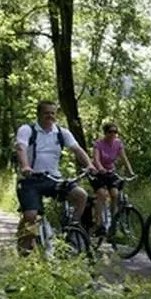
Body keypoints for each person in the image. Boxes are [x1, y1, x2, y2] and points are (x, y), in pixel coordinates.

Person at [15, 100, 97, 253]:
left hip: (53, 179)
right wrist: (25, 166)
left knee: (81, 196)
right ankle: (24, 247)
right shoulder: (27, 130)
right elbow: (21, 147)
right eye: (46, 113)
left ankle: (72, 231)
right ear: (39, 114)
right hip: (30, 180)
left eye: (53, 113)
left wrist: (89, 165)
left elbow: (77, 150)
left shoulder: (61, 132)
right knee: (31, 215)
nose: (50, 116)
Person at [89, 122, 135, 233]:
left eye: (115, 132)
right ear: (105, 133)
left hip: (110, 171)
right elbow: (96, 159)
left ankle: (113, 221)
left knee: (115, 194)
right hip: (97, 172)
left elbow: (124, 158)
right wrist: (100, 168)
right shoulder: (98, 144)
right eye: (110, 132)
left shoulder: (118, 143)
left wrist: (130, 171)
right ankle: (98, 223)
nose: (113, 134)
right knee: (101, 194)